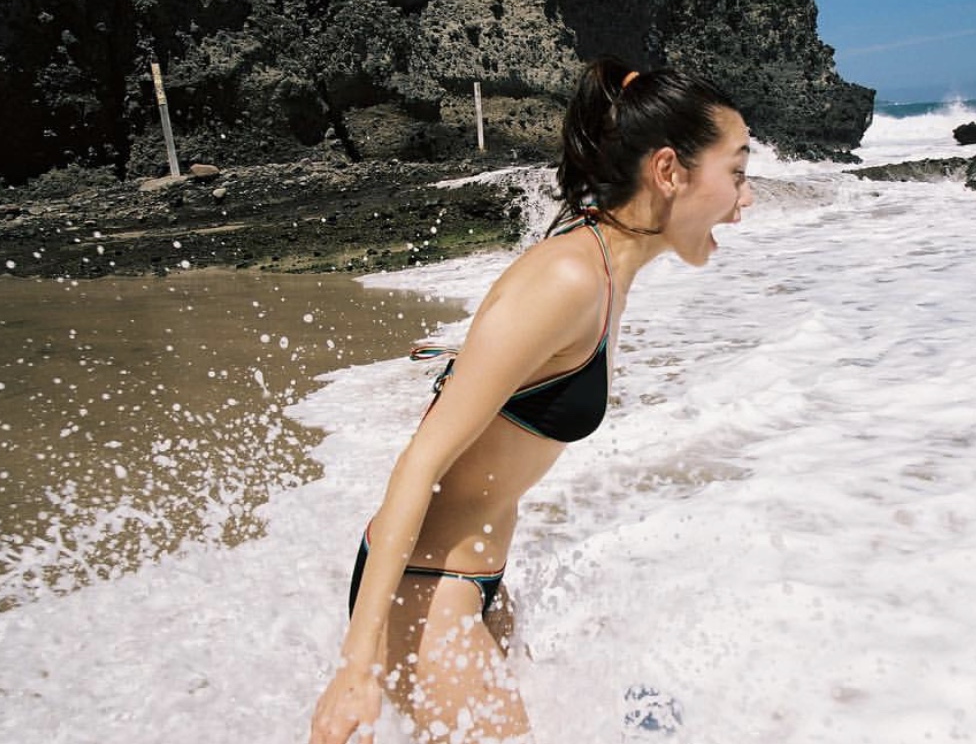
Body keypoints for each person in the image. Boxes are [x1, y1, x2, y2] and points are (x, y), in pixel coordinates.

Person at [308, 56, 753, 744]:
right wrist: (355, 665)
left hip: (476, 582)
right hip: (424, 589)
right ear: (669, 171)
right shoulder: (570, 279)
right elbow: (421, 461)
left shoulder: (604, 271)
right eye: (738, 172)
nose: (745, 200)